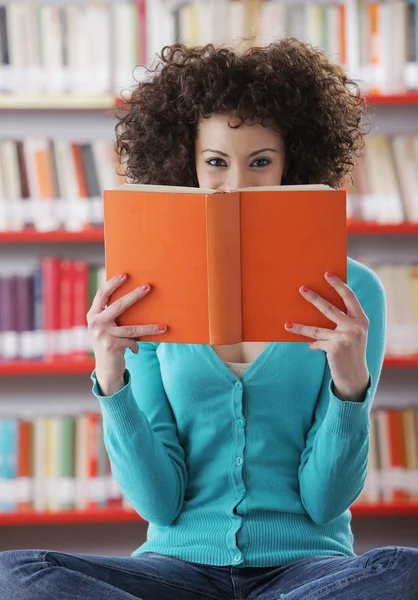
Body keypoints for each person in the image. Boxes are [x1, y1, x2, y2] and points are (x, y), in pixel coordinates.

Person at [1, 38, 417, 600]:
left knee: (406, 567)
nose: (236, 185)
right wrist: (110, 377)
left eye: (261, 162)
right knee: (17, 573)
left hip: (305, 569)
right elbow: (158, 502)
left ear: (295, 162)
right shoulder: (141, 288)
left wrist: (350, 386)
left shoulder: (352, 289)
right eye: (216, 162)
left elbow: (325, 501)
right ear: (188, 164)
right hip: (176, 568)